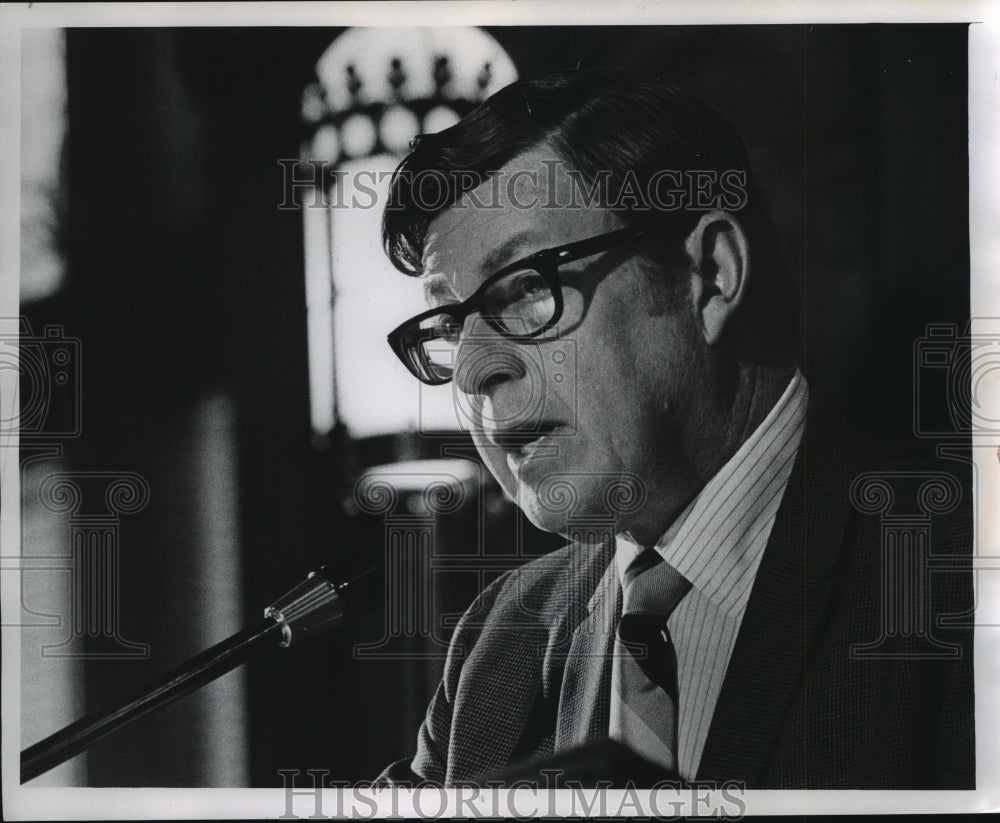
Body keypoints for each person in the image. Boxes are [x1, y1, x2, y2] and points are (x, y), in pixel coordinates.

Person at [375, 69, 974, 789]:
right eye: (447, 324)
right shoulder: (495, 641)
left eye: (526, 287)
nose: (472, 370)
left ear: (711, 275)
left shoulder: (961, 576)